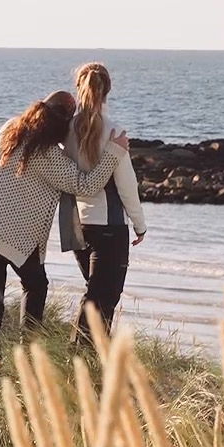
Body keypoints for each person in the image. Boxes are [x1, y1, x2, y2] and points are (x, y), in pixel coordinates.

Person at [0, 91, 127, 360]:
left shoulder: (9, 129)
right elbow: (86, 185)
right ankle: (29, 351)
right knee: (35, 286)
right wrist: (113, 152)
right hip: (15, 237)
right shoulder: (46, 154)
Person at [59, 63, 147, 344]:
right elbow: (126, 186)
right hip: (108, 227)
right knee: (103, 299)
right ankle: (78, 357)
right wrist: (140, 224)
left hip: (74, 225)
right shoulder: (114, 133)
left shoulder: (65, 130)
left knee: (95, 294)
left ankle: (89, 358)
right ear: (108, 90)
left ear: (79, 88)